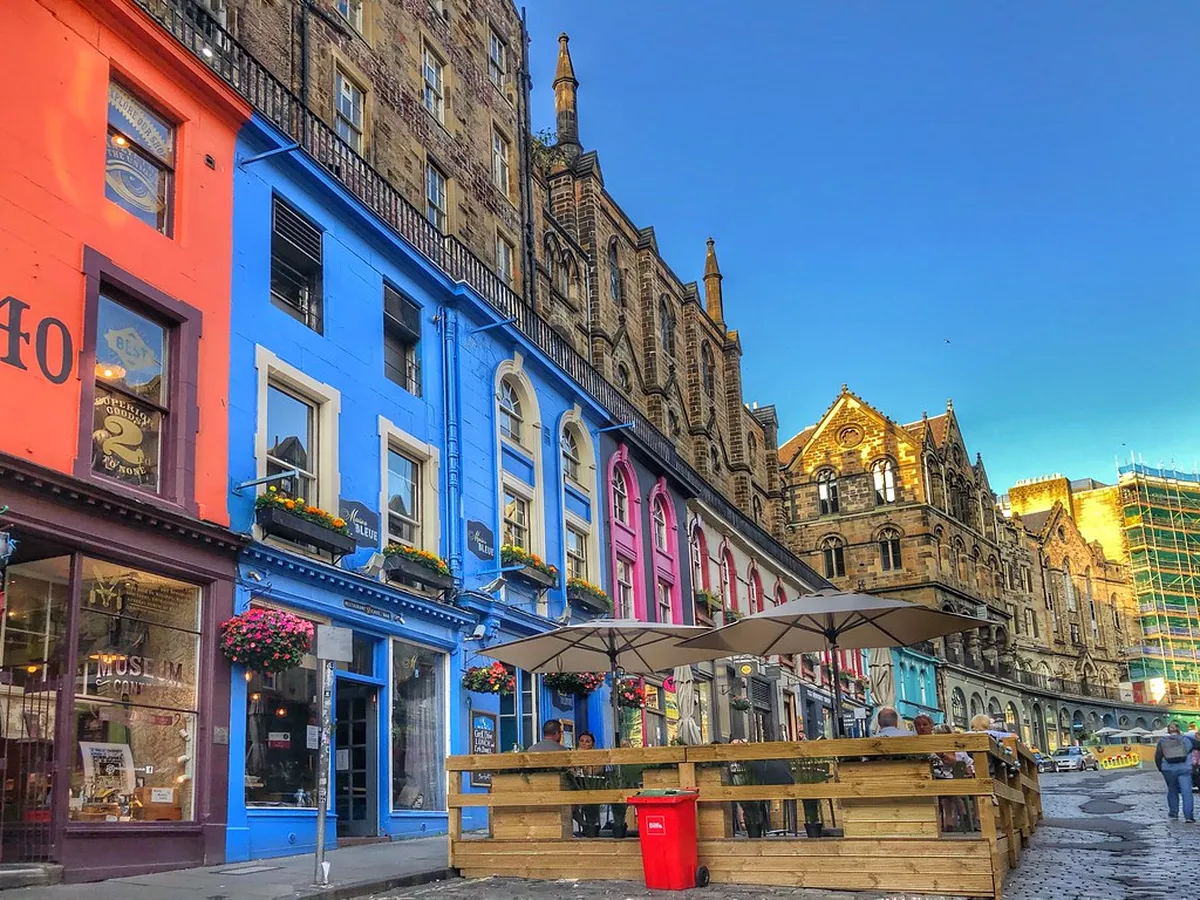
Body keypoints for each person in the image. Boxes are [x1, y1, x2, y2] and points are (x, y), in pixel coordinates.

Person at [1155, 722, 1196, 823]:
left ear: (1169, 730)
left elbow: (1158, 756)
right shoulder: (1186, 739)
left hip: (1168, 769)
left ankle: (1173, 813)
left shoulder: (1162, 741)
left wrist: (1161, 768)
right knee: (1186, 792)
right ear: (1179, 729)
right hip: (1184, 769)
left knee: (1172, 790)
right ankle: (1188, 816)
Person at [570, 731, 604, 837]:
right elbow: (571, 771)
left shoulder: (597, 757)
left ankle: (591, 826)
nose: (584, 744)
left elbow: (592, 772)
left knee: (589, 802)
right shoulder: (573, 755)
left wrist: (584, 761)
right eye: (581, 741)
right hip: (576, 786)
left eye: (587, 741)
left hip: (592, 786)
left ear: (592, 744)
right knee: (571, 803)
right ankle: (584, 825)